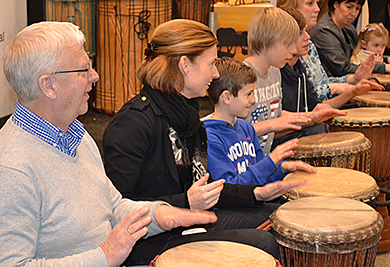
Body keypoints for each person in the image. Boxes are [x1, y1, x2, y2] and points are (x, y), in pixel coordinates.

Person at [0, 21, 219, 267]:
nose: (94, 77)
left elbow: (113, 206)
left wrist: (157, 214)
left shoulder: (76, 137)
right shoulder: (10, 168)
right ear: (49, 86)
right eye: (83, 70)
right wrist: (105, 256)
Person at [103, 19, 308, 264]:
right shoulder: (133, 124)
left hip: (189, 220)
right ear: (184, 65)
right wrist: (185, 202)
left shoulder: (187, 114)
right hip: (149, 241)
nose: (216, 73)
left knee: (277, 212)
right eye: (211, 63)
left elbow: (207, 186)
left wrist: (257, 193)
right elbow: (118, 209)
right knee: (264, 241)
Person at [274, 8, 382, 147]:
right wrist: (311, 119)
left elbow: (316, 107)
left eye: (306, 31)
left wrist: (352, 91)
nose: (307, 36)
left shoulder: (299, 67)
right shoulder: (277, 73)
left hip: (304, 133)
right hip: (287, 143)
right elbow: (278, 123)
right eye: (300, 33)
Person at [244, 7, 344, 156]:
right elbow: (235, 130)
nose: (292, 50)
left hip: (266, 159)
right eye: (287, 44)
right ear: (265, 43)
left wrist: (310, 117)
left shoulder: (275, 71)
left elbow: (277, 116)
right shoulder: (243, 78)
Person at [204, 57, 316, 186]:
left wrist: (283, 168)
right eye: (249, 94)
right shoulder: (211, 138)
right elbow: (229, 188)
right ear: (227, 97)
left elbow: (262, 176)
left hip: (255, 201)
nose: (253, 100)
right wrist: (271, 160)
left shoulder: (247, 128)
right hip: (237, 205)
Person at [277, 0, 378, 102]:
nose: (317, 9)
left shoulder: (310, 44)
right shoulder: (285, 55)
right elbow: (301, 96)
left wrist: (353, 79)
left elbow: (323, 81)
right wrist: (334, 88)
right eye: (310, 3)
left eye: (317, 3)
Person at [309, 0, 390, 77]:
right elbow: (343, 69)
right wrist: (383, 67)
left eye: (357, 8)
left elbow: (360, 55)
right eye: (349, 7)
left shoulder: (348, 28)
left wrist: (386, 60)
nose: (353, 13)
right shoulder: (324, 32)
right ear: (336, 4)